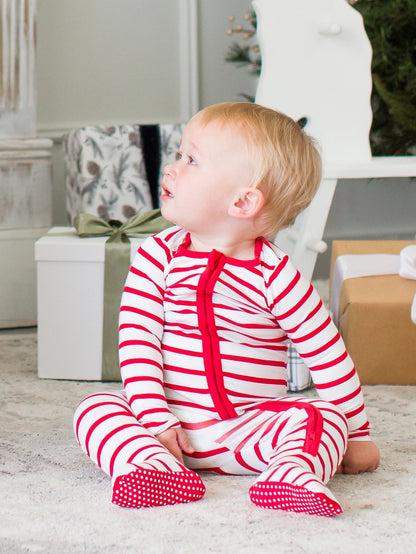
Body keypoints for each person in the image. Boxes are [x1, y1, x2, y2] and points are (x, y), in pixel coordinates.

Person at [74, 102, 380, 517]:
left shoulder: (275, 275)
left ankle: (290, 472)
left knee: (321, 417)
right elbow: (137, 338)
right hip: (164, 428)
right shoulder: (157, 255)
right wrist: (154, 417)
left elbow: (326, 354)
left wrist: (357, 433)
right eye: (180, 154)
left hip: (248, 430)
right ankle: (152, 466)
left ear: (243, 202)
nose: (172, 167)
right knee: (96, 409)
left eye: (191, 160)